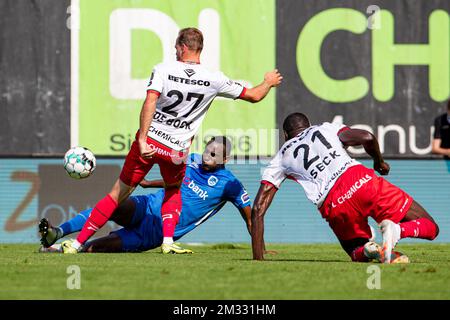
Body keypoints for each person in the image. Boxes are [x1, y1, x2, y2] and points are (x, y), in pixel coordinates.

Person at [62, 27, 282, 254]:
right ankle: (167, 242)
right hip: (176, 151)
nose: (175, 51)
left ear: (182, 46)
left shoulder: (163, 69)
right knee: (174, 190)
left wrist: (144, 140)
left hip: (150, 143)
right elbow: (255, 95)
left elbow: (150, 102)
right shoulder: (214, 79)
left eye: (176, 47)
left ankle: (76, 244)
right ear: (200, 49)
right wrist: (268, 82)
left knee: (116, 195)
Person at [251, 113, 439, 263]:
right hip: (361, 181)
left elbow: (258, 209)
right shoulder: (325, 128)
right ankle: (398, 231)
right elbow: (367, 137)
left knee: (355, 250)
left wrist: (258, 258)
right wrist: (379, 162)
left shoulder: (281, 157)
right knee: (430, 226)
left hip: (333, 203)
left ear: (285, 135)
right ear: (309, 125)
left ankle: (368, 250)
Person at [40, 137, 269, 253]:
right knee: (115, 204)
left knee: (98, 247)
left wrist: (260, 247)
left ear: (225, 160)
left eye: (215, 154)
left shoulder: (231, 185)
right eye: (209, 150)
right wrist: (149, 184)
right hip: (148, 207)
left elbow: (251, 217)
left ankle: (59, 249)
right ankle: (58, 232)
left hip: (157, 232)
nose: (208, 156)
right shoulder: (191, 158)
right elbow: (175, 181)